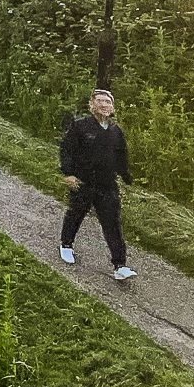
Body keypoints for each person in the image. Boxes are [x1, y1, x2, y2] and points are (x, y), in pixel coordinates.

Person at [59, 89, 136, 281]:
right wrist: (68, 173)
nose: (104, 105)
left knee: (112, 223)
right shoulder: (80, 126)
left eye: (107, 102)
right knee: (76, 213)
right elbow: (66, 149)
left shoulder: (115, 131)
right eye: (99, 101)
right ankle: (66, 244)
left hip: (107, 185)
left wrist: (125, 176)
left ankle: (120, 265)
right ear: (92, 105)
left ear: (112, 107)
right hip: (83, 182)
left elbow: (121, 156)